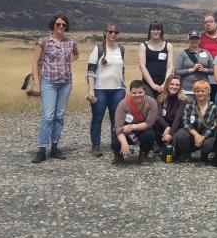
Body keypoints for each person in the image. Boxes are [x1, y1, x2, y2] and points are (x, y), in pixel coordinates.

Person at [31, 12, 80, 163]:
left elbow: (77, 54)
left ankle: (54, 147)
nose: (60, 27)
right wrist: (36, 83)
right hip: (49, 82)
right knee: (48, 116)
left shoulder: (70, 42)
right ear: (53, 25)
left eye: (63, 25)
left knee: (59, 116)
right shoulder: (44, 41)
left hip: (65, 83)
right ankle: (42, 149)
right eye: (58, 24)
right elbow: (34, 62)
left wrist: (67, 63)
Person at [86, 23, 126, 158]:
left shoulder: (121, 49)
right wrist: (91, 89)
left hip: (118, 90)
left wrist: (123, 84)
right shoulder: (98, 49)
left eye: (116, 32)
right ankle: (96, 145)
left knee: (117, 119)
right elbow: (90, 72)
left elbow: (122, 69)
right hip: (100, 89)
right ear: (105, 32)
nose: (113, 34)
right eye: (110, 32)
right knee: (98, 118)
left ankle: (115, 143)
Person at [111, 80, 158, 165]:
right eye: (134, 93)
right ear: (130, 92)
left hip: (142, 130)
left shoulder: (152, 102)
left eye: (140, 92)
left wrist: (132, 127)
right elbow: (118, 127)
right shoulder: (123, 103)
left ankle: (143, 154)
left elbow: (149, 123)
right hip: (126, 132)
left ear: (145, 92)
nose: (137, 95)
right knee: (115, 139)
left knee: (150, 134)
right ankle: (118, 155)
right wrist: (124, 143)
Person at [175, 80, 217, 163]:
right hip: (192, 134)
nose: (200, 93)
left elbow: (213, 126)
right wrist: (196, 135)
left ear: (208, 92)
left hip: (206, 135)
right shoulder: (189, 105)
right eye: (197, 91)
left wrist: (202, 137)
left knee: (209, 143)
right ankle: (187, 154)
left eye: (203, 91)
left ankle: (204, 155)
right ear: (194, 92)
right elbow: (185, 122)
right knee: (181, 134)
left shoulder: (214, 107)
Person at [174, 31, 215, 101]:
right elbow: (177, 71)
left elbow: (214, 70)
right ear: (189, 40)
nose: (194, 40)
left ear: (200, 40)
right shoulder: (183, 54)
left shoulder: (207, 53)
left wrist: (204, 70)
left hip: (204, 89)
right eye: (192, 39)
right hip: (187, 90)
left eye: (196, 38)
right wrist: (192, 70)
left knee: (204, 110)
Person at [138, 22, 174, 98]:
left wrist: (165, 84)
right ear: (150, 31)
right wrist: (152, 85)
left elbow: (170, 67)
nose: (155, 32)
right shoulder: (143, 45)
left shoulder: (168, 46)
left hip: (163, 83)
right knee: (149, 104)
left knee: (162, 105)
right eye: (153, 29)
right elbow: (142, 66)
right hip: (147, 83)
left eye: (158, 29)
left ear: (161, 31)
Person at [154, 74, 188, 150]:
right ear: (167, 85)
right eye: (172, 84)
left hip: (176, 127)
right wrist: (167, 127)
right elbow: (157, 115)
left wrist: (171, 134)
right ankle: (158, 144)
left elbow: (178, 118)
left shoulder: (183, 100)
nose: (174, 87)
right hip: (164, 126)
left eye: (177, 85)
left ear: (180, 87)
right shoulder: (160, 98)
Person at [199, 15, 217, 98]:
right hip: (206, 75)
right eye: (206, 22)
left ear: (216, 23)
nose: (208, 24)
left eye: (210, 21)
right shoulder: (199, 38)